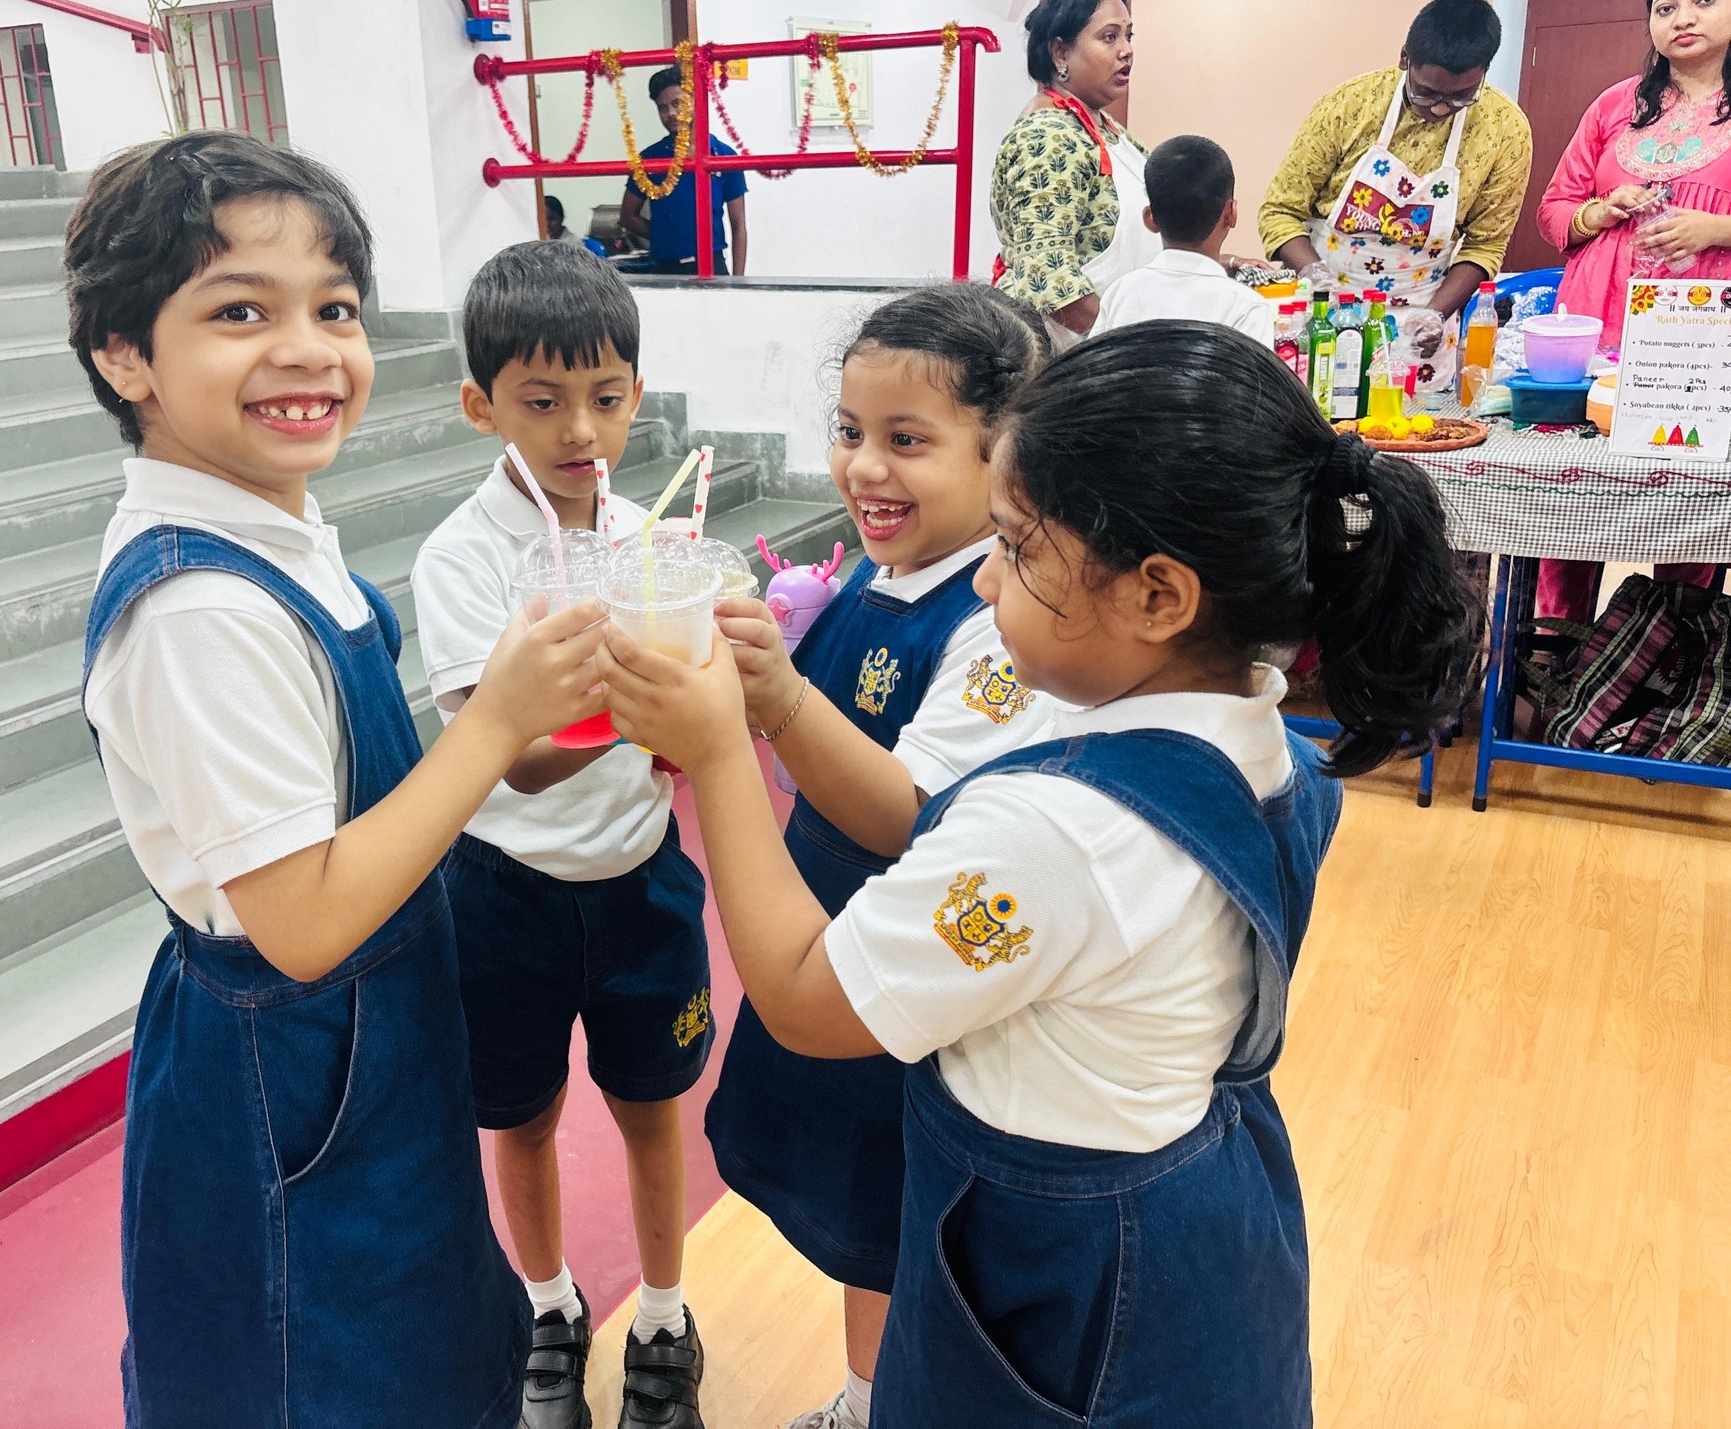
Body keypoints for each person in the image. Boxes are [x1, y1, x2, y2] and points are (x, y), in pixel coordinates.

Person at [603, 322, 1484, 1428]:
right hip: (1201, 1223)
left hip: (1065, 1283)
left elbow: (797, 993)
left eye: (1018, 549)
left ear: (1158, 597)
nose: (981, 578)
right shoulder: (1274, 750)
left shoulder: (1059, 830)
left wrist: (725, 744)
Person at [68, 133, 609, 1427]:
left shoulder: (270, 519)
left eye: (337, 309)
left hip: (366, 1050)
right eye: (240, 310)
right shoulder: (198, 600)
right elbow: (304, 921)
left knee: (418, 1341)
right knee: (323, 1371)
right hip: (291, 1067)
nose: (309, 347)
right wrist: (498, 725)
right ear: (124, 354)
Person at [704, 285, 1076, 1429]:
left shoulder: (987, 627)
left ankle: (880, 1403)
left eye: (907, 441)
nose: (865, 468)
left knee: (891, 1214)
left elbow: (908, 812)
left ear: (1005, 457)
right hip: (827, 944)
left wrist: (762, 703)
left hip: (900, 981)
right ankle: (869, 1395)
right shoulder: (884, 567)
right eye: (851, 432)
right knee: (862, 1222)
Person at [411, 240, 711, 1429]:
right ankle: (545, 1304)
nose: (577, 429)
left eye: (603, 397)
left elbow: (684, 729)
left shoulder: (655, 543)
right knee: (520, 1118)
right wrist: (631, 710)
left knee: (652, 1109)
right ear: (482, 405)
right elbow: (513, 763)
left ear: (635, 395)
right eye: (540, 401)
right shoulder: (462, 559)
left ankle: (664, 1316)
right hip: (507, 892)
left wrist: (691, 723)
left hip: (640, 882)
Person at [1530, 0, 1731, 621]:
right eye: (1665, 6)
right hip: (1597, 320)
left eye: (1706, 0)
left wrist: (1717, 230)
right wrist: (1599, 209)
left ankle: (1669, 656)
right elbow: (1553, 210)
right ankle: (1552, 656)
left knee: (1688, 494)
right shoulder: (1616, 104)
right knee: (1573, 493)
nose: (1683, 18)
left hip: (1698, 339)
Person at [1261, 0, 1533, 361]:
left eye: (1460, 97)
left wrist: (1433, 315)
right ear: (1404, 57)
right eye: (1426, 92)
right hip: (1323, 309)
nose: (1440, 107)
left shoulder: (1505, 130)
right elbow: (1279, 212)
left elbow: (1484, 245)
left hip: (1421, 320)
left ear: (1484, 71)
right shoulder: (1349, 105)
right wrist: (1317, 277)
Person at [991, 0, 1158, 346]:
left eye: (1129, 35)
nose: (1127, 50)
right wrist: (1122, 343)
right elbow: (1047, 277)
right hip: (1071, 357)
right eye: (1109, 37)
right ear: (1060, 53)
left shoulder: (1108, 129)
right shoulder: (1047, 137)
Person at [1095, 134, 1278, 344]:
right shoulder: (1246, 308)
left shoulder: (1119, 294)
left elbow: (1091, 369)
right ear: (1231, 214)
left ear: (1150, 219)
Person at [619, 65, 748, 275]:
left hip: (712, 265)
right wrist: (665, 235)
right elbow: (627, 216)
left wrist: (739, 281)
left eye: (677, 103)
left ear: (694, 101)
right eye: (662, 107)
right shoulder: (649, 159)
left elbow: (738, 223)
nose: (670, 113)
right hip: (664, 267)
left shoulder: (723, 155)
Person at [544, 192, 606, 257]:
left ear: (561, 218)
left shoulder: (573, 243)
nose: (547, 224)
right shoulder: (538, 240)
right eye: (543, 219)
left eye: (552, 219)